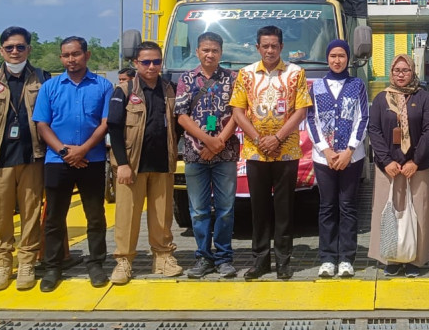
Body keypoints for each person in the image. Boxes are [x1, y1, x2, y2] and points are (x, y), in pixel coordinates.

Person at [0, 28, 51, 291]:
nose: (15, 52)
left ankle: (26, 263)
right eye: (10, 47)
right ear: (2, 50)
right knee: (0, 216)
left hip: (32, 157)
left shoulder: (43, 79)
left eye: (21, 47)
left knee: (31, 212)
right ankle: (2, 264)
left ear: (29, 49)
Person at [231, 25, 312, 280]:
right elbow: (238, 112)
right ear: (257, 47)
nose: (269, 50)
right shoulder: (245, 75)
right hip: (256, 152)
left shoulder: (295, 73)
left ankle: (284, 261)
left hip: (286, 150)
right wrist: (258, 139)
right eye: (265, 46)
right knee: (259, 208)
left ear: (281, 47)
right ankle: (260, 261)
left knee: (285, 208)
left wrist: (277, 138)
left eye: (274, 46)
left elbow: (301, 111)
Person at [33, 37, 113, 292]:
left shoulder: (103, 86)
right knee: (55, 217)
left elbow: (105, 123)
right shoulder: (50, 87)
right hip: (58, 160)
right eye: (66, 55)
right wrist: (65, 151)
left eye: (76, 54)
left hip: (93, 159)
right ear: (61, 58)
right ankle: (53, 266)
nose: (71, 59)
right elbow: (42, 124)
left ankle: (96, 262)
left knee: (95, 215)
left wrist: (84, 150)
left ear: (87, 55)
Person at [106, 41, 182, 284]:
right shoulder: (124, 91)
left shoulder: (171, 89)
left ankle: (162, 257)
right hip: (132, 164)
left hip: (162, 162)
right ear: (136, 63)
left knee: (162, 216)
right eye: (146, 62)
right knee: (127, 215)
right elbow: (114, 127)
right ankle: (124, 261)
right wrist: (123, 163)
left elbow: (178, 125)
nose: (151, 66)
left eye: (156, 62)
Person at [367, 54, 429, 276]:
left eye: (405, 70)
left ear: (413, 72)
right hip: (388, 168)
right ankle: (391, 257)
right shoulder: (382, 99)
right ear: (391, 72)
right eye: (397, 70)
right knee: (388, 212)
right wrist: (387, 161)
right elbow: (374, 130)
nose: (401, 74)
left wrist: (415, 161)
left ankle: (415, 259)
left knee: (419, 212)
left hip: (417, 167)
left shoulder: (424, 98)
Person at [174, 32, 239, 279]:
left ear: (221, 53)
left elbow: (238, 112)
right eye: (205, 50)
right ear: (197, 52)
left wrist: (219, 141)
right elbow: (181, 115)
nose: (209, 54)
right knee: (198, 210)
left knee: (225, 208)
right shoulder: (186, 79)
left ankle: (224, 258)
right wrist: (207, 140)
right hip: (195, 153)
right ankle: (203, 257)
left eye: (214, 50)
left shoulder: (233, 79)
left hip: (226, 152)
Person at [307, 39, 369, 278]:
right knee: (327, 207)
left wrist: (349, 150)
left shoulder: (357, 85)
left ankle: (346, 258)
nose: (337, 60)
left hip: (351, 158)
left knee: (348, 207)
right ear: (327, 58)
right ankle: (327, 258)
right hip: (324, 159)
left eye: (341, 55)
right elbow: (311, 120)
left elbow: (363, 118)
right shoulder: (317, 86)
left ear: (348, 58)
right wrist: (326, 150)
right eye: (333, 55)